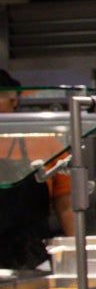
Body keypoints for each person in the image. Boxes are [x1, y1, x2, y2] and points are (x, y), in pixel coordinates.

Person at [0, 69, 76, 270]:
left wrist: (78, 255)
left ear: (14, 99)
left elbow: (67, 208)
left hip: (32, 259)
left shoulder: (47, 145)